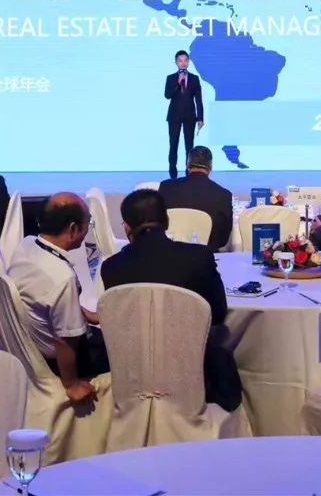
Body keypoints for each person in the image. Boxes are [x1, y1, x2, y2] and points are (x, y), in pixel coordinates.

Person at [100, 189, 241, 411]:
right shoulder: (199, 257)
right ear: (166, 221)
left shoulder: (111, 268)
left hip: (135, 372)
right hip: (194, 369)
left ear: (126, 227)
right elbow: (218, 313)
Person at [7, 193, 106, 404]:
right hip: (56, 359)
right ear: (73, 229)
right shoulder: (61, 278)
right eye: (88, 223)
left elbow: (47, 302)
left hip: (28, 343)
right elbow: (65, 340)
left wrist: (87, 314)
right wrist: (71, 385)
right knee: (124, 349)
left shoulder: (27, 245)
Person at [158, 146, 233, 251]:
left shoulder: (166, 187)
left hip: (169, 253)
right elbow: (223, 239)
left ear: (187, 164)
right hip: (207, 255)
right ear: (210, 167)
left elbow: (157, 225)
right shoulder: (224, 195)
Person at [164, 50, 204, 180]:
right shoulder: (171, 78)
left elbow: (198, 100)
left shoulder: (194, 78)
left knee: (189, 147)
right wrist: (178, 83)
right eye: (180, 60)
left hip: (189, 117)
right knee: (173, 145)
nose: (183, 63)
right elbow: (167, 95)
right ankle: (173, 174)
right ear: (176, 62)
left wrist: (200, 118)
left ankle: (189, 173)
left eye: (185, 60)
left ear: (188, 62)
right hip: (174, 116)